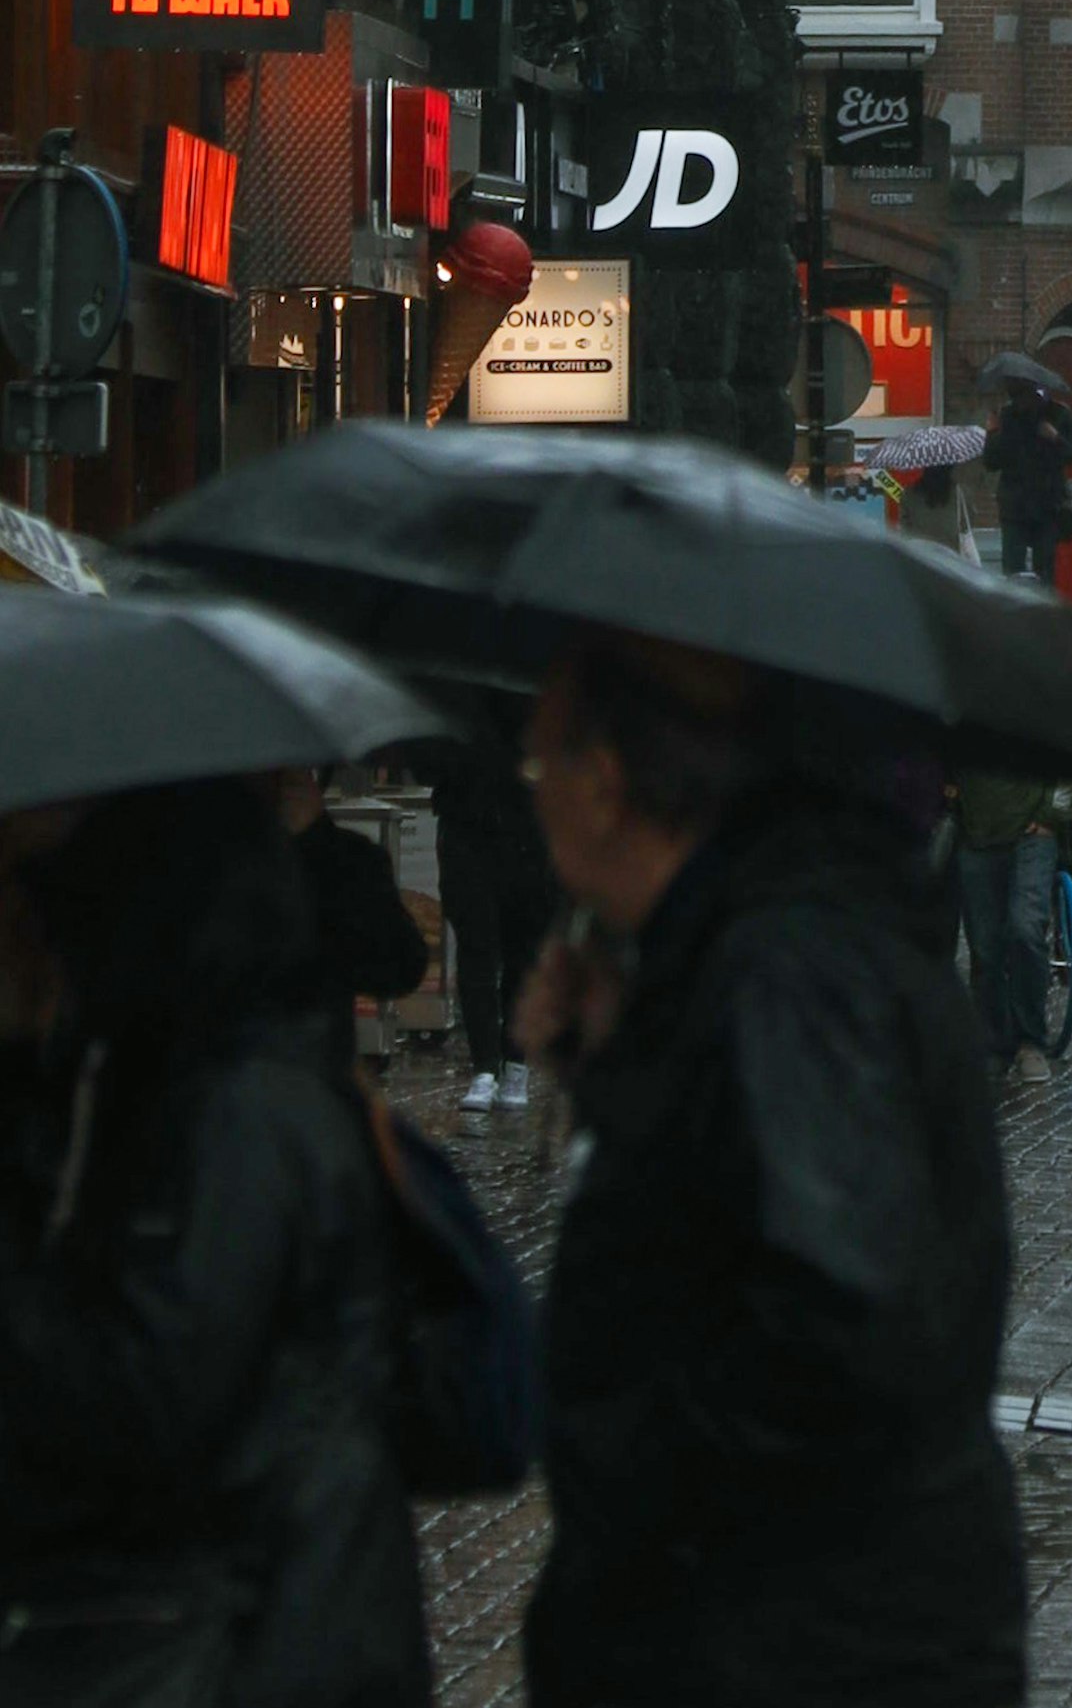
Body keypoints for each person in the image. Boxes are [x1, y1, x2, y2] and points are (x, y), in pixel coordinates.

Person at [507, 638, 1024, 1708]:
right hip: (785, 1628)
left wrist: (626, 1449)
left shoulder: (791, 973)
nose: (532, 792)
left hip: (797, 1646)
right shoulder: (753, 948)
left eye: (539, 763)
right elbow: (722, 1195)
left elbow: (837, 1330)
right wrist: (617, 1052)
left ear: (605, 786)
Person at [0, 775, 435, 1708]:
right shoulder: (129, 1078)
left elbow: (152, 1389)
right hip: (198, 1624)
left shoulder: (240, 1111)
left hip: (249, 1639)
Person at [433, 728, 559, 1112]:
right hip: (467, 826)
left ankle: (515, 1061)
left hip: (526, 831)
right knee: (477, 947)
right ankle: (485, 1066)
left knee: (522, 947)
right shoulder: (457, 705)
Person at [275, 762, 432, 1055]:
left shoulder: (345, 859)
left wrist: (315, 839)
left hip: (312, 1063)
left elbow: (400, 966)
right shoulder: (205, 861)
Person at [950, 768, 1072, 1093]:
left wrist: (1051, 817)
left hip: (1032, 836)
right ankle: (993, 1042)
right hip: (976, 835)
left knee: (1025, 928)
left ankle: (1030, 1041)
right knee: (984, 945)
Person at [987, 377, 1072, 587]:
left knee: (1044, 570)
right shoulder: (1007, 417)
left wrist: (1055, 438)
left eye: (1022, 395)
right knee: (1013, 571)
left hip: (1047, 504)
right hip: (1015, 507)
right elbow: (991, 461)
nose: (1019, 402)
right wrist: (992, 433)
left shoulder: (1058, 414)